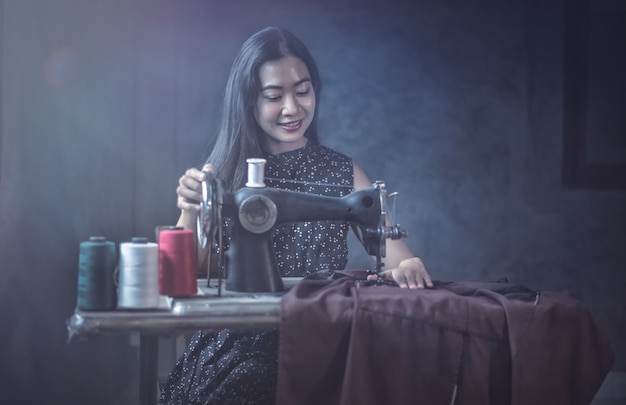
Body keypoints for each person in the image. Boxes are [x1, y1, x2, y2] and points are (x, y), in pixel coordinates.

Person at [160, 26, 433, 404]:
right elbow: (187, 275)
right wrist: (189, 210)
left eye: (303, 91)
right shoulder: (221, 172)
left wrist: (407, 267)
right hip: (234, 346)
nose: (293, 108)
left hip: (319, 341)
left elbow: (398, 256)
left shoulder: (344, 174)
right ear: (248, 102)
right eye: (274, 96)